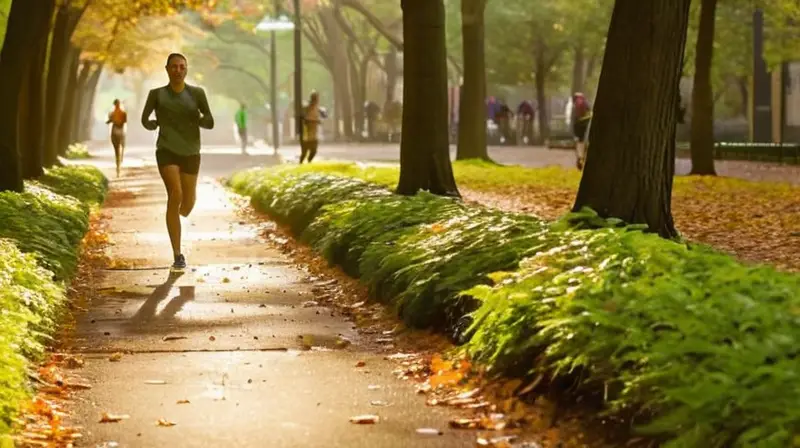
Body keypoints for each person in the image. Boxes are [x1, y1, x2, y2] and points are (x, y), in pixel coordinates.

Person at [141, 53, 215, 270]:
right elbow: (145, 119)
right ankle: (177, 254)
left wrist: (199, 119)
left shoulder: (197, 93)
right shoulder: (156, 95)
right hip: (166, 150)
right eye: (174, 67)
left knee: (188, 204)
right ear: (167, 69)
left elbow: (209, 121)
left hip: (191, 151)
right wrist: (153, 125)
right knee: (176, 194)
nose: (178, 70)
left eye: (182, 67)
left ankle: (173, 218)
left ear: (186, 70)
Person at [571, 92, 592, 170]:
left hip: (578, 124)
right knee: (585, 141)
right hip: (587, 123)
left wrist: (574, 133)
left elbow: (573, 119)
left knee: (580, 141)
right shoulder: (586, 103)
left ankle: (580, 158)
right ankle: (584, 157)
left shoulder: (575, 105)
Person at [106, 99, 127, 177]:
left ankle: (118, 166)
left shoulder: (112, 113)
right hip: (121, 132)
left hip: (115, 132)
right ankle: (120, 161)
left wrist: (111, 120)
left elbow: (109, 121)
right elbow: (125, 121)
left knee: (116, 150)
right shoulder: (123, 113)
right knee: (122, 146)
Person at [300, 92, 322, 163]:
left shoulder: (316, 108)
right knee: (305, 152)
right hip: (307, 133)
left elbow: (317, 118)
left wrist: (317, 121)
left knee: (313, 150)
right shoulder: (308, 108)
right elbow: (304, 118)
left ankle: (308, 162)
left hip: (313, 133)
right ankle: (301, 164)